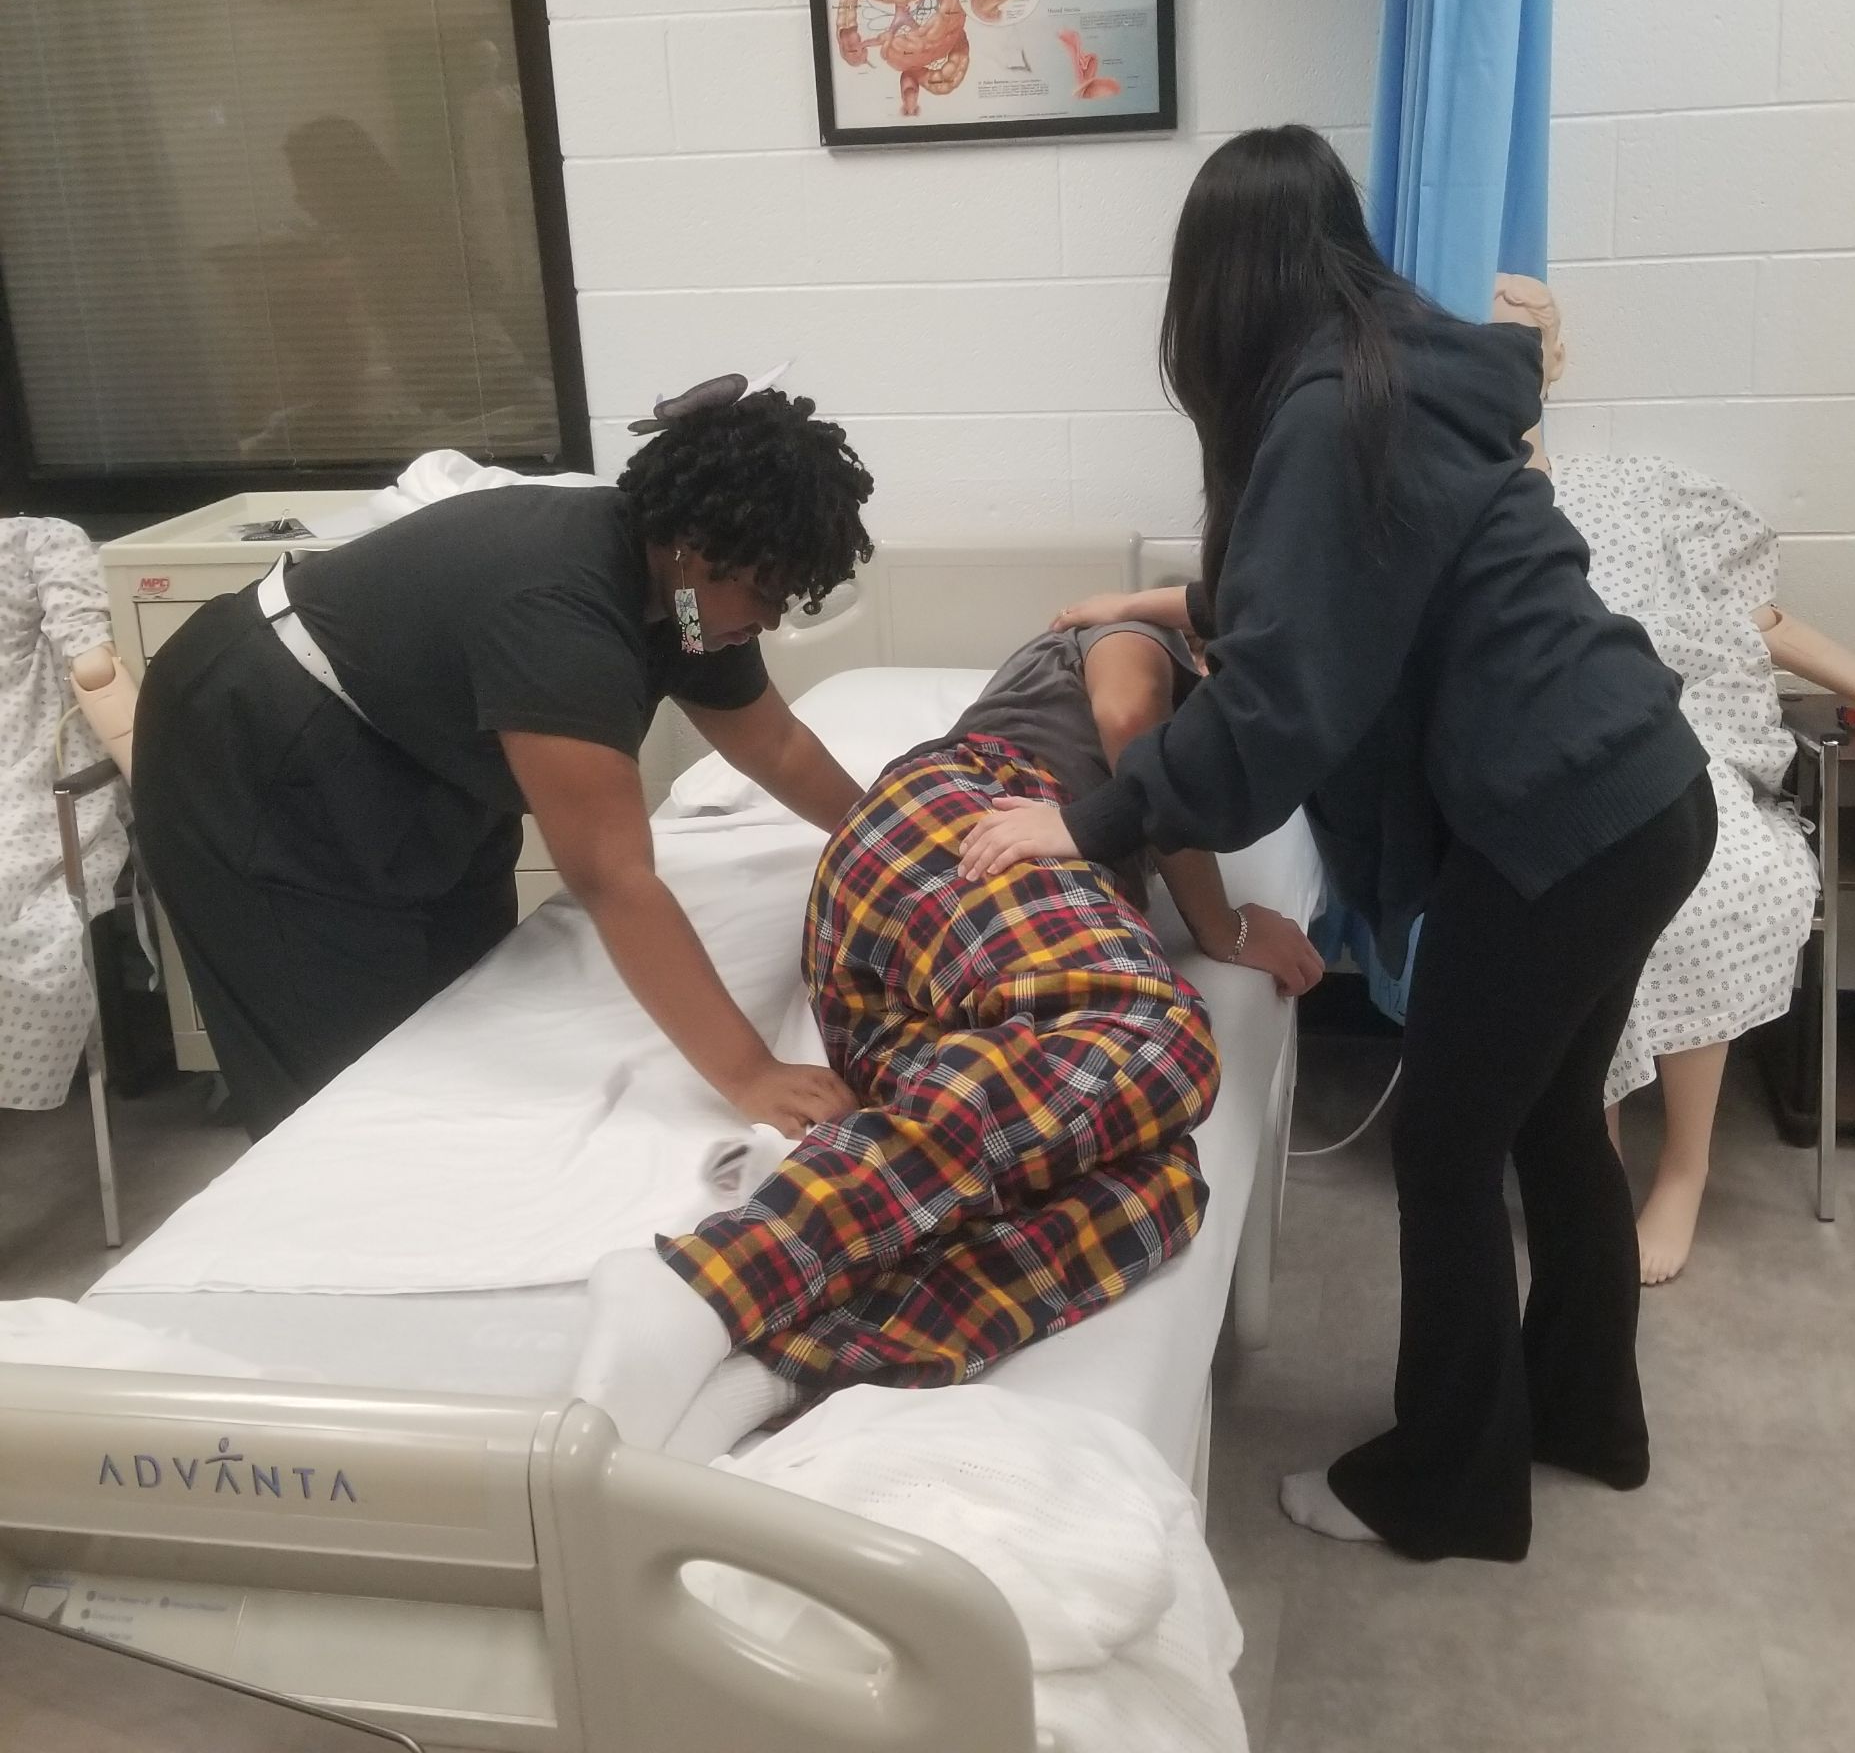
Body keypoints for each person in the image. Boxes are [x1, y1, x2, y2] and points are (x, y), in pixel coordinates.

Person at [960, 125, 1716, 1564]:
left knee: (1446, 1141)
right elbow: (1368, 579)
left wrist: (1084, 820)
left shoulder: (1322, 410)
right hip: (1643, 788)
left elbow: (1282, 707)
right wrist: (1183, 606)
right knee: (1551, 1122)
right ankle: (1581, 1418)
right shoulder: (1400, 363)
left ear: (1220, 284)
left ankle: (1445, 1488)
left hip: (1556, 817)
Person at [573, 614, 1324, 1458]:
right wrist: (1220, 927)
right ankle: (702, 1285)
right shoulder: (1129, 639)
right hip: (969, 822)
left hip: (925, 969)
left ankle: (770, 1372)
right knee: (1151, 1034)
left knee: (1157, 1187)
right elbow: (1127, 726)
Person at [132, 380, 875, 1139]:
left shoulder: (687, 603)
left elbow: (778, 747)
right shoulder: (559, 605)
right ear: (695, 547)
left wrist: (893, 841)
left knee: (461, 1011)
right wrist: (750, 1075)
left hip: (410, 757)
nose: (768, 620)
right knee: (345, 1083)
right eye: (764, 593)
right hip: (255, 743)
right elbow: (612, 875)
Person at [1503, 275, 1855, 1284]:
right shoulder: (1449, 509)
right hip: (1536, 762)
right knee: (1567, 893)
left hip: (1676, 744)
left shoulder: (1638, 493)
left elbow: (1762, 623)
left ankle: (1682, 1169)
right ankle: (1589, 1159)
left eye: (1524, 345)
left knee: (1714, 876)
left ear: (1554, 365)